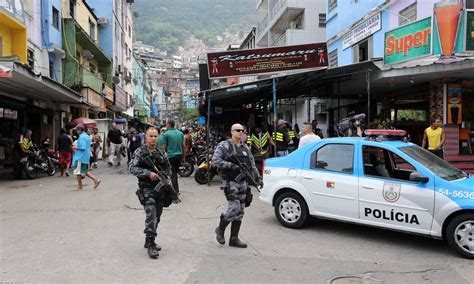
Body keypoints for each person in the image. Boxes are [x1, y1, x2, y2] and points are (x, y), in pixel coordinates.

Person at [129, 127, 180, 259]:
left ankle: (148, 239)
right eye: (150, 136)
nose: (153, 138)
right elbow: (132, 168)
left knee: (157, 216)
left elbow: (168, 166)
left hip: (161, 188)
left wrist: (167, 177)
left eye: (155, 136)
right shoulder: (140, 152)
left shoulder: (161, 151)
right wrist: (148, 173)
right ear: (145, 137)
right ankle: (151, 243)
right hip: (147, 188)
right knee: (151, 215)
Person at [213, 123, 262, 248]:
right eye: (238, 130)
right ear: (232, 132)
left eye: (243, 130)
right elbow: (215, 161)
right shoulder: (224, 145)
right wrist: (233, 166)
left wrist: (258, 178)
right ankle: (220, 229)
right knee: (233, 208)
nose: (241, 132)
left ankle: (234, 238)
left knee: (240, 211)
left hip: (242, 182)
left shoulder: (245, 148)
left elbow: (252, 165)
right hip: (229, 181)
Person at [72, 124, 101, 191]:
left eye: (77, 129)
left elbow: (82, 147)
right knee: (84, 171)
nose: (76, 131)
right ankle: (96, 180)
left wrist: (75, 147)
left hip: (80, 156)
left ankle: (80, 186)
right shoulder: (87, 136)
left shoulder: (81, 137)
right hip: (85, 156)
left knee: (78, 172)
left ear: (80, 130)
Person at [161, 120, 184, 194]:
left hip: (171, 156)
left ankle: (175, 191)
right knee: (175, 173)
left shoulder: (166, 134)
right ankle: (174, 190)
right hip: (179, 156)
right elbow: (183, 146)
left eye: (166, 124)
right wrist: (184, 157)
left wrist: (162, 157)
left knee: (172, 174)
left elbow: (164, 148)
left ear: (168, 125)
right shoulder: (180, 133)